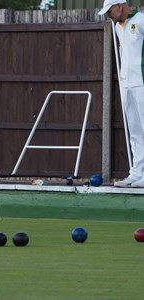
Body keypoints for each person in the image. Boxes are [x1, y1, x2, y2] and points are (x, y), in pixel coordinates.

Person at [98, 0, 144, 188]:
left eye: (109, 11)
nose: (108, 15)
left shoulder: (141, 20)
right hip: (126, 84)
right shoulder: (118, 27)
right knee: (134, 131)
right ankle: (136, 173)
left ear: (119, 6)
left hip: (142, 82)